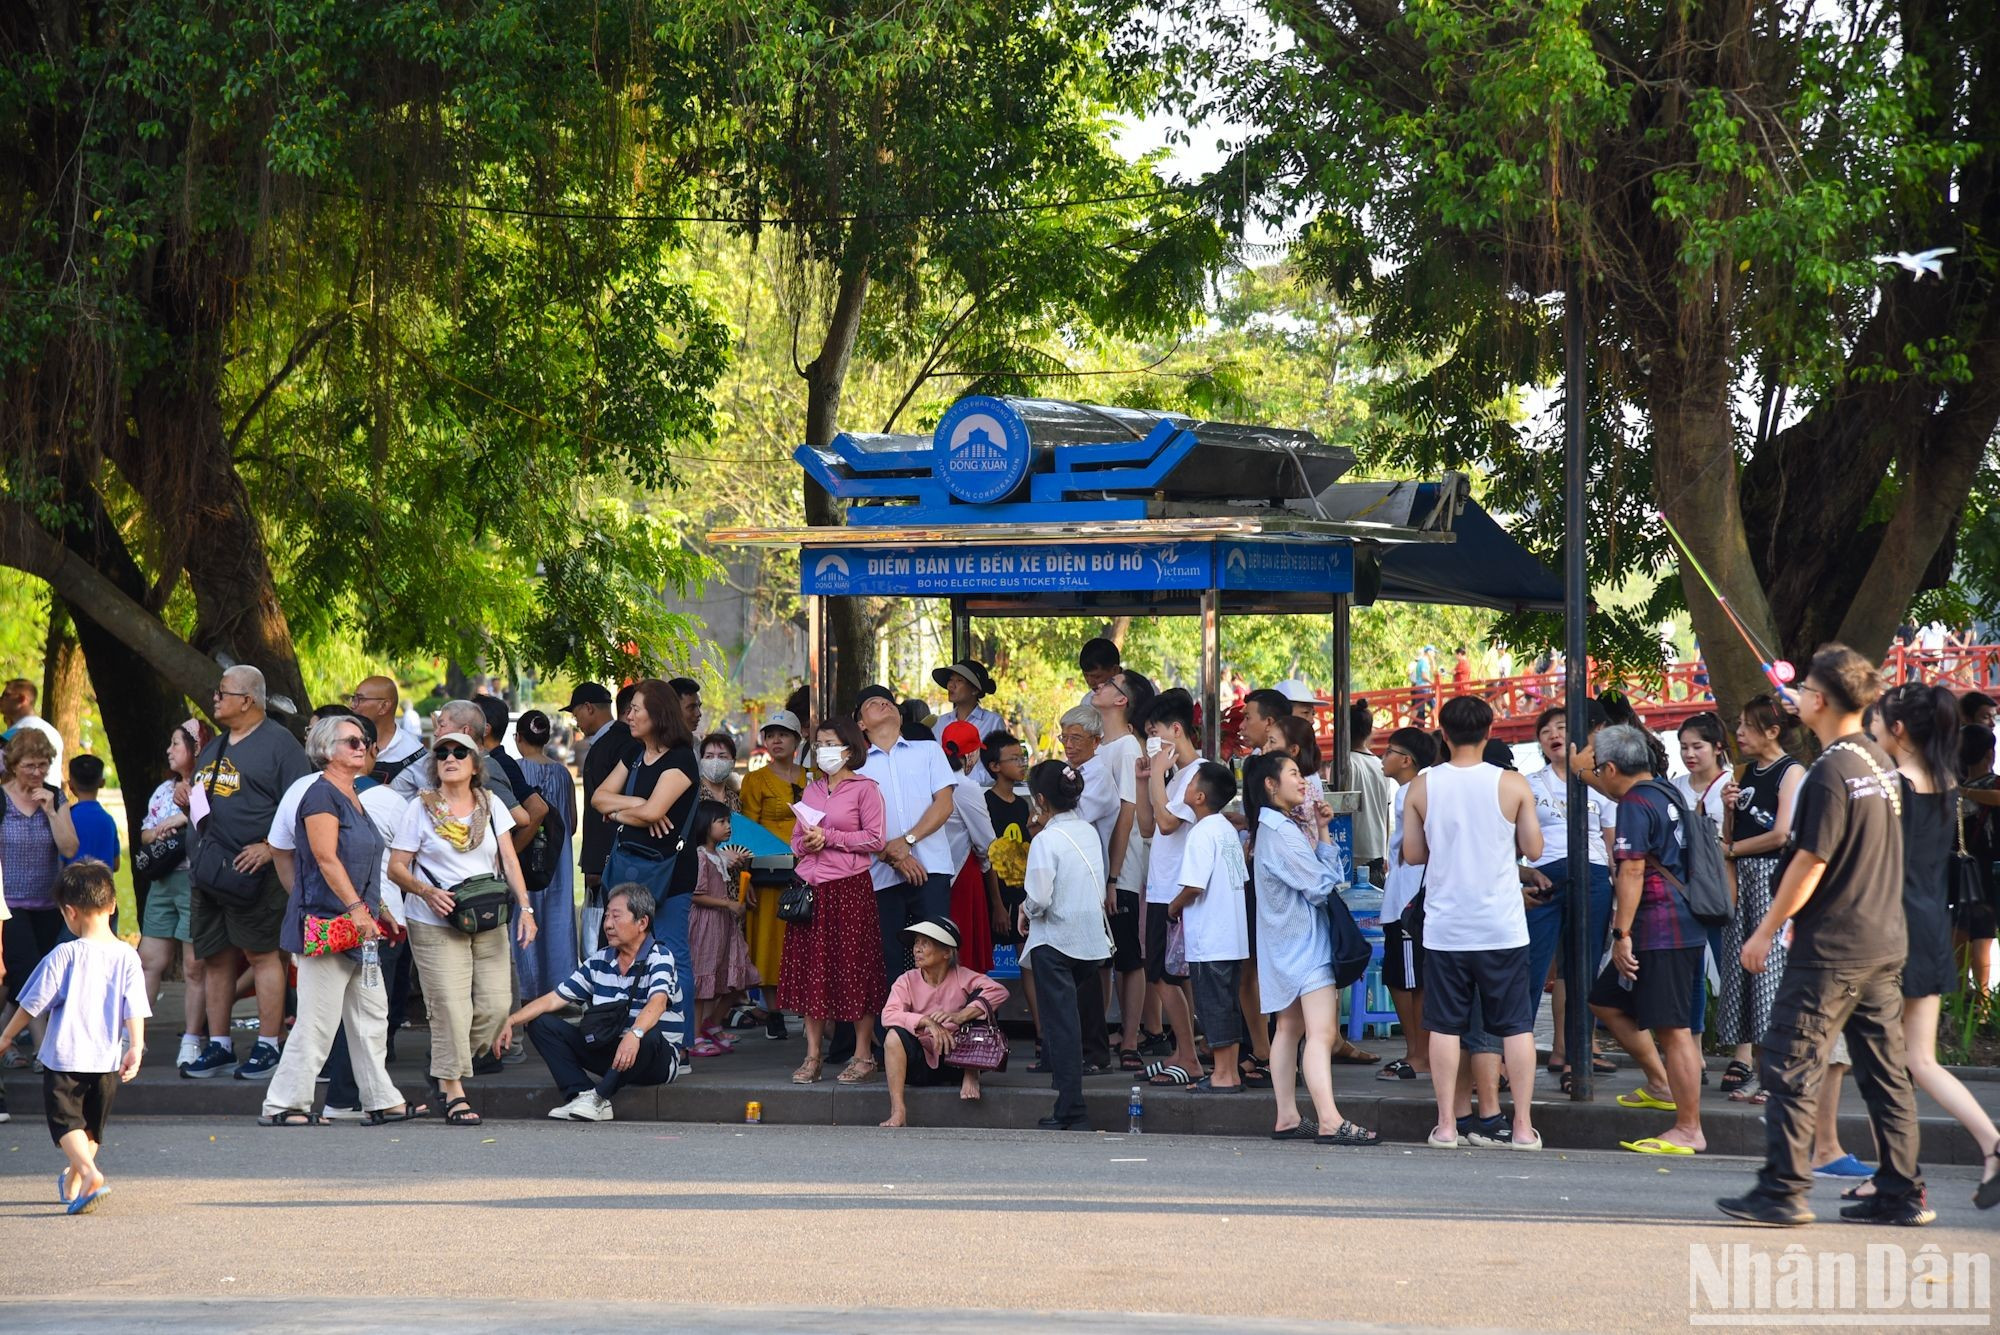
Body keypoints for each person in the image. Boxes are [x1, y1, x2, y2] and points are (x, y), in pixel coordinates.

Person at [1717, 644, 1930, 1227]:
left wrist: (1765, 930)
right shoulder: (1878, 763)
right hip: (1883, 941)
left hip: (1832, 947)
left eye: (1806, 692)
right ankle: (1901, 1192)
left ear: (1819, 700)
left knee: (1789, 1062)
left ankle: (1782, 1191)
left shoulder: (1831, 772)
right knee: (1886, 1074)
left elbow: (1810, 860)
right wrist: (1808, 701)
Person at [1854, 682, 1999, 1209]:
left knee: (1885, 1064)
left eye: (1879, 720)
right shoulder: (1946, 780)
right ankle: (1988, 1145)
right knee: (1918, 1060)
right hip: (1931, 925)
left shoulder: (1892, 787)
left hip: (1890, 931)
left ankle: (1899, 1178)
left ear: (1897, 730)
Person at [258, 715, 425, 1127]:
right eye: (351, 741)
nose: (362, 747)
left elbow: (363, 863)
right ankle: (284, 1103)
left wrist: (379, 910)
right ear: (326, 749)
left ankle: (381, 1099)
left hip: (358, 925)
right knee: (317, 1020)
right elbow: (325, 858)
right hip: (330, 924)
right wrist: (356, 910)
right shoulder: (320, 797)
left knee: (371, 1016)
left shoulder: (351, 795)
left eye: (364, 741)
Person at [1402, 694, 1544, 1151]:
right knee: (1516, 1026)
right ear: (1488, 733)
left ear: (1443, 734)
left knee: (1443, 1026)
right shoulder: (1513, 783)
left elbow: (1413, 854)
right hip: (1501, 923)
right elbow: (1535, 850)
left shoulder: (1422, 787)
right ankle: (1521, 1127)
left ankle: (1446, 1126)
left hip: (1446, 925)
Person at [388, 728, 537, 1127]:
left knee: (494, 1007)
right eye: (442, 754)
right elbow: (396, 867)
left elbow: (509, 858)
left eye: (459, 752)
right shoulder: (419, 808)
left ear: (475, 765)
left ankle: (443, 1064)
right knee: (451, 1010)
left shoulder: (490, 804)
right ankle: (453, 1089)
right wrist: (425, 891)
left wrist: (526, 909)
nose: (450, 758)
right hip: (435, 921)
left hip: (487, 918)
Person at [1583, 724, 1708, 1155]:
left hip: (1660, 928)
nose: (1595, 773)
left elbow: (1633, 871)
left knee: (1675, 1032)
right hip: (1684, 922)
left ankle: (1689, 1128)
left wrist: (1622, 934)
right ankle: (1659, 1082)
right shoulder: (1667, 791)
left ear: (1613, 767)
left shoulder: (1635, 804)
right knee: (1605, 1001)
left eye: (1600, 768)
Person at [1245, 751, 1378, 1145]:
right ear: (1271, 784)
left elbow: (1318, 878)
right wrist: (1322, 844)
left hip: (1282, 943)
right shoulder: (1282, 832)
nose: (1303, 781)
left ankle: (1287, 1115)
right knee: (1320, 1033)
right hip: (1306, 943)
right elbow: (1322, 885)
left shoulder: (1270, 828)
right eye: (1293, 774)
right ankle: (1329, 1119)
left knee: (1288, 1028)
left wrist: (1321, 830)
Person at [0, 861, 144, 1214]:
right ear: (112, 906)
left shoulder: (64, 954)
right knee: (91, 1126)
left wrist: (5, 1036)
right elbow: (134, 1007)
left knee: (67, 1123)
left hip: (65, 1058)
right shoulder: (128, 955)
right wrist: (136, 1046)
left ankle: (90, 1173)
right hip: (107, 1058)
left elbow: (31, 1004)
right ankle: (76, 1179)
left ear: (69, 912)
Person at [495, 883, 682, 1122]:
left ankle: (599, 1098)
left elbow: (657, 1002)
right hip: (614, 1052)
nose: (608, 925)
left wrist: (635, 1034)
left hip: (652, 1060)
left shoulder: (660, 956)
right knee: (540, 1023)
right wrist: (511, 1021)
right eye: (606, 916)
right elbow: (554, 999)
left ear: (642, 923)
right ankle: (581, 1095)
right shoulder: (600, 960)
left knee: (650, 1034)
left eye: (616, 917)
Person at [590, 679, 700, 1048]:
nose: (629, 715)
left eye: (636, 708)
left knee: (671, 953)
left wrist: (621, 810)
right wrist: (639, 809)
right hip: (629, 868)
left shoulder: (681, 758)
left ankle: (678, 1043)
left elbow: (654, 810)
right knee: (623, 949)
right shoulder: (633, 754)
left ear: (658, 713)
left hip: (669, 871)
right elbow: (598, 799)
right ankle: (623, 1033)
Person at [781, 717, 888, 1085]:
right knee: (814, 970)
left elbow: (875, 839)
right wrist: (806, 844)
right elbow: (796, 839)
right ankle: (813, 1055)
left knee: (855, 968)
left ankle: (863, 1054)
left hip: (849, 888)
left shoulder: (865, 788)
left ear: (849, 748)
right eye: (819, 743)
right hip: (813, 889)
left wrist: (828, 837)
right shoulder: (811, 790)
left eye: (830, 743)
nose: (823, 750)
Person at [1520, 705, 1617, 1092]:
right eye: (1546, 731)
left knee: (1582, 970)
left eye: (1562, 727)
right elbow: (1511, 843)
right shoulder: (1527, 783)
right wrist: (1521, 874)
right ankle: (1511, 1057)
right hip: (1545, 875)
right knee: (1529, 966)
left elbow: (1612, 848)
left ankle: (1577, 1061)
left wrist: (1617, 896)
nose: (1554, 735)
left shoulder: (1599, 782)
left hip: (1593, 875)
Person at [1716, 694, 1803, 1104]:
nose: (1739, 734)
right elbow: (1733, 832)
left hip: (1771, 877)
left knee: (1769, 973)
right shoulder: (1746, 771)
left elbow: (1782, 834)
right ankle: (1752, 1066)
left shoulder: (1791, 772)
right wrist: (1728, 809)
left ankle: (1775, 1074)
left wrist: (1732, 851)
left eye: (1748, 727)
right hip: (1743, 876)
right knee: (1742, 971)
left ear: (1772, 730)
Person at [1017, 759, 1111, 1129]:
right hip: (1089, 940)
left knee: (1062, 1027)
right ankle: (1068, 1099)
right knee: (1080, 1023)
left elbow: (1039, 897)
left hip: (1055, 941)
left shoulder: (1045, 840)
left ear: (1040, 799)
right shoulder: (1088, 831)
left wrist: (1024, 908)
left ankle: (1071, 1108)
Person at [855, 685, 958, 1000]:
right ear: (861, 724)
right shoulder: (855, 767)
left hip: (933, 868)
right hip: (881, 876)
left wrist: (909, 841)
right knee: (889, 958)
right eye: (873, 702)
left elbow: (944, 804)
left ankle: (945, 1033)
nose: (884, 704)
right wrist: (895, 857)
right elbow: (853, 821)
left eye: (888, 701)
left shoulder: (927, 750)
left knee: (939, 951)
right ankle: (896, 1038)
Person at [1136, 688, 1207, 1088]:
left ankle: (1189, 1056)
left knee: (1165, 976)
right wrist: (1145, 778)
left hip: (1178, 890)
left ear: (1176, 730)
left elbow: (1167, 823)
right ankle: (1185, 1051)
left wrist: (1160, 777)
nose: (1153, 742)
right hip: (1161, 886)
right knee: (1165, 974)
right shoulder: (1174, 775)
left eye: (1155, 732)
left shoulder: (1198, 774)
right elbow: (1147, 825)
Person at [878, 917, 1010, 1128]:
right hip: (920, 1062)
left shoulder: (962, 976)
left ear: (947, 953)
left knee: (981, 1004)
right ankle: (898, 1109)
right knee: (893, 1036)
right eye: (916, 943)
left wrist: (961, 1015)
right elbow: (888, 1014)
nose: (917, 949)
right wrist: (927, 1022)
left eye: (925, 943)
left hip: (958, 1058)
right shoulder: (907, 980)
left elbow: (1000, 992)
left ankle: (971, 1073)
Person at [1166, 761, 1248, 1093]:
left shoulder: (1201, 832)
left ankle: (1224, 1075)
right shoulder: (1226, 829)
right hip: (1232, 936)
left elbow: (1194, 886)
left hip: (1211, 938)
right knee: (1226, 1004)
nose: (1184, 788)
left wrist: (1172, 907)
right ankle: (1229, 1071)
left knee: (1214, 1006)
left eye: (1189, 784)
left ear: (1199, 797)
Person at [0, 729, 80, 1068]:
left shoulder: (55, 796)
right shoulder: (1, 798)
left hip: (47, 904)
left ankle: (6, 1043)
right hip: (9, 903)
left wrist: (50, 811)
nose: (36, 773)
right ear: (14, 764)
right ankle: (45, 1049)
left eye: (42, 766)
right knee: (30, 974)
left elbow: (70, 848)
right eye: (30, 765)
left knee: (25, 980)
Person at [1089, 668, 1154, 1068]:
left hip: (1121, 869)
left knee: (1128, 957)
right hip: (1096, 868)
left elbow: (1128, 812)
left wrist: (1113, 876)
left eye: (1109, 684)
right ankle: (1099, 1036)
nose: (1098, 685)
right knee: (1099, 957)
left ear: (1122, 700)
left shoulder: (1129, 746)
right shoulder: (1100, 747)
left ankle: (1129, 1040)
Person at [138, 721, 208, 1071]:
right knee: (149, 960)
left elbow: (213, 823)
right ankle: (134, 1037)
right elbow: (145, 835)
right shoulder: (163, 791)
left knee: (195, 966)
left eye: (176, 743)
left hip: (194, 882)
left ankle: (192, 1040)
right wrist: (163, 827)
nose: (169, 750)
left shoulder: (210, 784)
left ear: (196, 748)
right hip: (163, 881)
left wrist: (181, 819)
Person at [737, 708, 805, 1037]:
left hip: (808, 869)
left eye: (783, 734)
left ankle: (810, 1011)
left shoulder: (814, 777)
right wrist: (744, 879)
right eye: (770, 735)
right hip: (767, 872)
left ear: (797, 740)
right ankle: (773, 1011)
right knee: (767, 939)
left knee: (804, 937)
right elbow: (747, 831)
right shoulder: (754, 779)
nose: (776, 740)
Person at [1376, 726, 1436, 1081]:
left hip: (1408, 900)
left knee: (1409, 980)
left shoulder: (1413, 790)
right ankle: (1417, 1052)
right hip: (1404, 896)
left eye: (1389, 752)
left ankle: (1418, 1055)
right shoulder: (1413, 789)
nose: (1383, 757)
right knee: (1402, 978)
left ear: (1406, 760)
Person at [513, 709, 579, 999]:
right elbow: (573, 822)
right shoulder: (563, 773)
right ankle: (559, 988)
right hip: (557, 862)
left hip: (523, 859)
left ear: (518, 738)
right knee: (556, 919)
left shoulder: (513, 770)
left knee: (523, 915)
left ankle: (525, 987)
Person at [686, 800, 758, 1056]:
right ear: (705, 825)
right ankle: (693, 1036)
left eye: (728, 822)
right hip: (706, 924)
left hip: (723, 924)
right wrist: (727, 903)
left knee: (739, 978)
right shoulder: (700, 856)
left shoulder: (718, 855)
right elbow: (696, 894)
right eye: (722, 822)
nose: (728, 827)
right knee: (701, 983)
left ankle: (711, 1023)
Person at [936, 720, 1001, 977]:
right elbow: (987, 843)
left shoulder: (933, 779)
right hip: (963, 875)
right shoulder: (966, 788)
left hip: (936, 876)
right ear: (972, 754)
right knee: (965, 959)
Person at [567, 681, 626, 899]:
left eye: (576, 714)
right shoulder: (606, 742)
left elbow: (608, 806)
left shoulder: (616, 742)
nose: (577, 722)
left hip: (611, 860)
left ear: (589, 707)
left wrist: (599, 863)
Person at [1958, 724, 2000, 994]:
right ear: (1990, 754)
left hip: (1968, 874)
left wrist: (1962, 793)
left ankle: (1965, 1000)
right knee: (1980, 937)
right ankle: (1983, 1001)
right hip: (1989, 871)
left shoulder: (1954, 793)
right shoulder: (1994, 785)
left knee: (1969, 934)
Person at [932, 660, 1005, 785]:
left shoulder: (992, 722)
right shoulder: (941, 722)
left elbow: (1000, 763)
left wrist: (971, 783)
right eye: (951, 679)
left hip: (982, 793)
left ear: (975, 690)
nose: (951, 685)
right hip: (947, 793)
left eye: (959, 680)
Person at [346, 676, 423, 786]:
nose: (353, 705)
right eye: (354, 698)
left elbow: (434, 798)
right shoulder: (342, 744)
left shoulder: (415, 754)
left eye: (360, 699)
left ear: (384, 706)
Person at [1348, 702, 1392, 887]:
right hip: (1377, 851)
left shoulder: (1345, 763)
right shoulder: (1380, 765)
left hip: (1353, 851)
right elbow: (1387, 813)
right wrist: (1385, 851)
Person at [64, 756, 119, 875]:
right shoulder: (108, 821)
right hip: (103, 890)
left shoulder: (66, 819)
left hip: (71, 889)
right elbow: (115, 864)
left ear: (70, 784)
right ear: (102, 782)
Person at [0, 678, 62, 771]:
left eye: (6, 695)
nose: (1, 699)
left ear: (22, 699)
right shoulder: (53, 732)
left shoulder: (17, 733)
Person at [698, 731, 741, 810]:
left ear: (733, 763)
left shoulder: (734, 799)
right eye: (709, 756)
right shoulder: (692, 794)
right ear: (702, 761)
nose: (715, 762)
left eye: (722, 756)